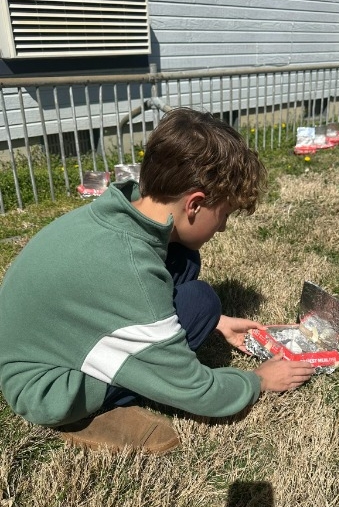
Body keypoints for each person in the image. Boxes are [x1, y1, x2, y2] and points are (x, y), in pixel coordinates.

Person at [0, 108, 315, 454]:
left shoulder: (120, 210)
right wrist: (257, 381)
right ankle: (88, 412)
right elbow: (196, 390)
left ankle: (159, 334)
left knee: (184, 261)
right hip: (47, 389)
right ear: (195, 205)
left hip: (47, 343)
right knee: (200, 303)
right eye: (224, 214)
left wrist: (218, 324)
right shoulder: (131, 270)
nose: (223, 227)